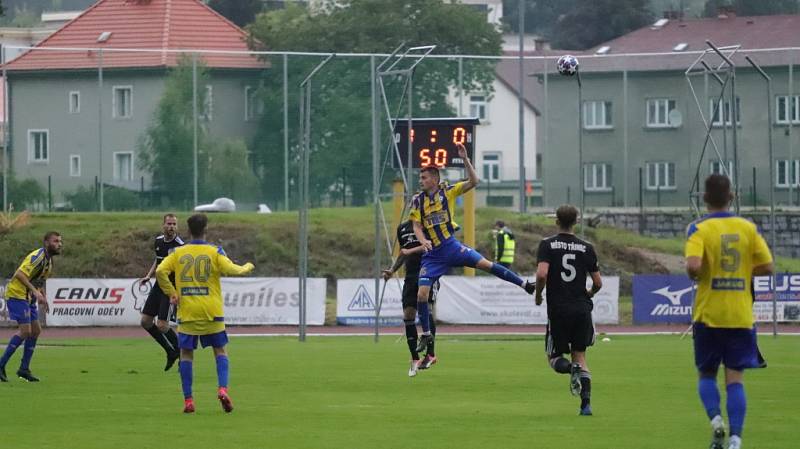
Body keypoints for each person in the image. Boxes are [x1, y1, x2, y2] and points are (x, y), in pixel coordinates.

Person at [410, 143, 535, 354]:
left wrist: (466, 160)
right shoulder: (417, 201)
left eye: (424, 177)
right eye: (420, 178)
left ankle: (524, 284)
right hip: (433, 256)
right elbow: (416, 226)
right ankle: (427, 333)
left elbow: (474, 181)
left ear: (435, 178)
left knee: (486, 264)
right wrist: (422, 241)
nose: (421, 181)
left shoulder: (447, 192)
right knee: (422, 294)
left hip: (451, 246)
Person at [684, 174, 773, 449]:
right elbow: (768, 267)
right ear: (731, 196)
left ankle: (715, 421)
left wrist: (701, 274)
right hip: (740, 315)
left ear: (704, 198)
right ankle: (735, 439)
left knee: (706, 374)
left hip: (709, 314)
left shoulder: (699, 228)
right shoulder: (748, 227)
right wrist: (744, 272)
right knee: (735, 379)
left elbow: (694, 266)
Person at [156, 214, 255, 414]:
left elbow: (160, 271)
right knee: (220, 351)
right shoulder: (214, 251)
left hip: (188, 311)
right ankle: (222, 389)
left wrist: (172, 293)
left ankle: (189, 401)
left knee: (186, 354)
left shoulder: (177, 252)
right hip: (212, 312)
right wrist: (248, 266)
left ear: (189, 230)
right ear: (205, 229)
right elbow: (233, 270)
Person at [535, 205, 601, 416]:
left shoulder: (547, 245)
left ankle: (569, 369)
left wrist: (538, 295)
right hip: (581, 309)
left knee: (554, 357)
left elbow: (542, 274)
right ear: (577, 222)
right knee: (580, 356)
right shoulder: (587, 247)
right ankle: (586, 405)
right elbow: (598, 283)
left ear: (556, 221)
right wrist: (589, 294)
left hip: (558, 309)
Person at [0, 232, 63, 382]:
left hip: (27, 297)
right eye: (56, 241)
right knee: (25, 331)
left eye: (60, 241)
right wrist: (35, 292)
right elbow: (19, 274)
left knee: (35, 330)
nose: (59, 244)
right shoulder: (38, 257)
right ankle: (1, 364)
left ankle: (23, 369)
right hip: (16, 294)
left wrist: (42, 295)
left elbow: (38, 282)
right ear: (46, 243)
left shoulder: (49, 262)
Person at [382, 220, 440, 377]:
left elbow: (434, 247)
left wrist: (412, 250)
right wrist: (392, 270)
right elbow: (403, 252)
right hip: (410, 275)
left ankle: (430, 354)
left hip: (428, 272)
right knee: (408, 314)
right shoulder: (402, 228)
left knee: (426, 309)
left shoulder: (431, 225)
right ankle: (414, 358)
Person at [138, 213, 184, 371]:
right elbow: (157, 260)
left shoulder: (179, 246)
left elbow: (182, 270)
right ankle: (171, 351)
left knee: (163, 325)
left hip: (170, 288)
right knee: (145, 321)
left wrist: (177, 292)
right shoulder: (158, 241)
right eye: (169, 224)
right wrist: (148, 276)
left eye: (174, 224)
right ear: (163, 225)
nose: (171, 227)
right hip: (158, 285)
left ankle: (182, 353)